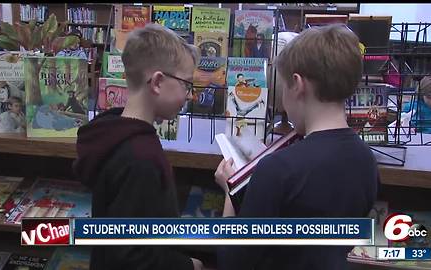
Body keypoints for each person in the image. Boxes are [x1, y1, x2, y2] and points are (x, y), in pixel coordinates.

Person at [214, 24, 379, 270]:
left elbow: (231, 262)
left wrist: (231, 191)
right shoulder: (367, 159)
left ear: (297, 84)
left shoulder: (277, 169)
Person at [73, 24, 203, 270]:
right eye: (186, 85)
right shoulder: (140, 158)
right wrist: (189, 265)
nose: (189, 95)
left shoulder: (113, 134)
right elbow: (132, 255)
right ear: (157, 82)